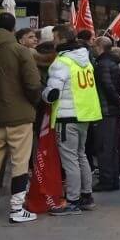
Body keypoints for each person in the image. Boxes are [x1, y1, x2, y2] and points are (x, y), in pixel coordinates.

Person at [0, 14, 43, 223]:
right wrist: (33, 102)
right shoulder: (20, 51)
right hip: (19, 115)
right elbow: (32, 84)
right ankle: (16, 208)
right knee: (19, 162)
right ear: (13, 29)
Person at [42, 24, 99, 215]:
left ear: (61, 39)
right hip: (85, 114)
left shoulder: (62, 62)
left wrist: (43, 93)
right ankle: (86, 196)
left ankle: (72, 200)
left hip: (67, 116)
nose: (53, 41)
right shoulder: (85, 59)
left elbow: (53, 93)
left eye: (54, 37)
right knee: (81, 155)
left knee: (70, 160)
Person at [91, 36, 120, 192]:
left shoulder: (102, 64)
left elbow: (107, 85)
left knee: (104, 146)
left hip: (106, 110)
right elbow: (119, 86)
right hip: (112, 110)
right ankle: (112, 178)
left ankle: (107, 179)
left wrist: (117, 99)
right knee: (110, 146)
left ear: (99, 47)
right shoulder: (112, 63)